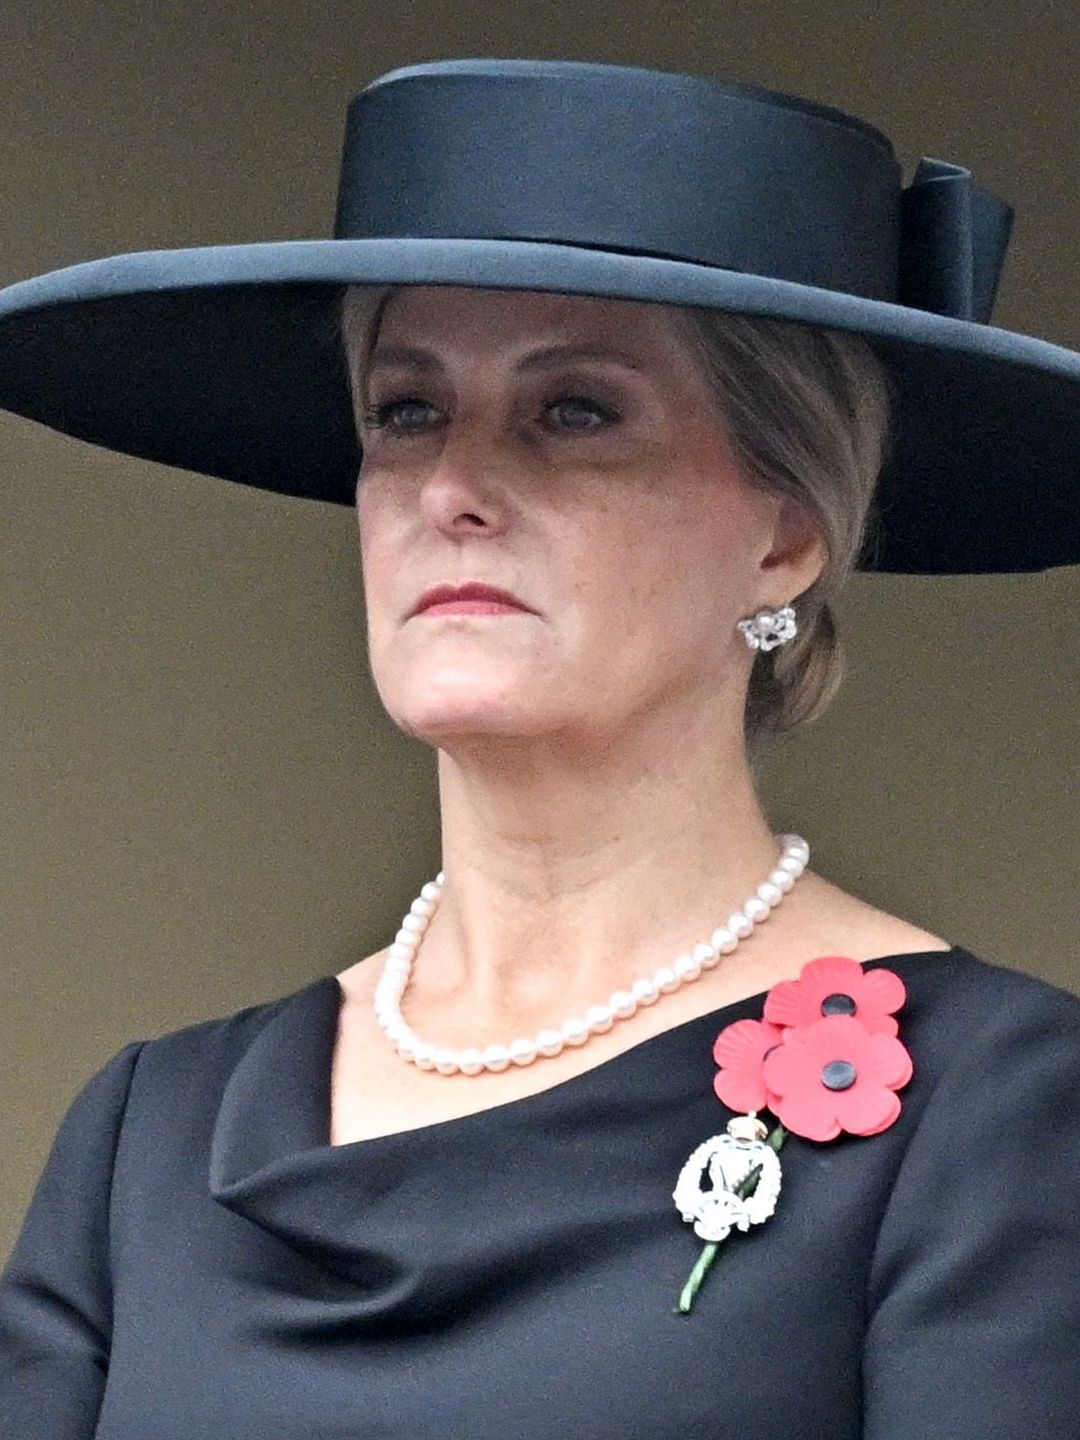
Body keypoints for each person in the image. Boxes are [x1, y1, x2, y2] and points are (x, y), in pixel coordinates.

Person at [0, 56, 1077, 1440]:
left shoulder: (995, 1114)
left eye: (573, 410)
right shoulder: (147, 1136)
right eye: (406, 411)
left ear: (786, 534)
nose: (451, 488)